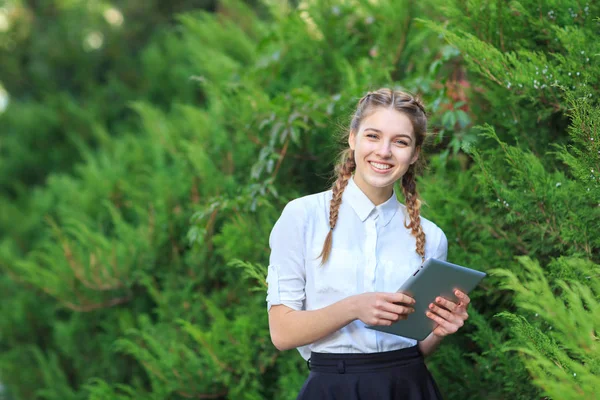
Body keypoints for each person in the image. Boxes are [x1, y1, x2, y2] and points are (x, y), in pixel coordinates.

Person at [266, 88, 471, 399]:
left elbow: (416, 347)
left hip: (408, 387)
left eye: (400, 142)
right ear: (353, 139)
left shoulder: (431, 238)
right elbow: (282, 333)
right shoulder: (302, 217)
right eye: (373, 136)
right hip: (332, 388)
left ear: (414, 153)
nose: (384, 151)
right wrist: (354, 307)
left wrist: (439, 330)